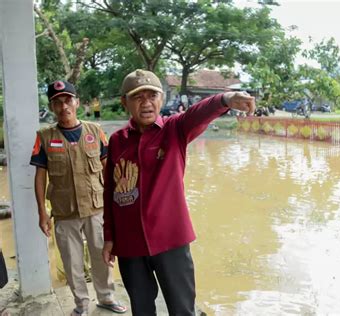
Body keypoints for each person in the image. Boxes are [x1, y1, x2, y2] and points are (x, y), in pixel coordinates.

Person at [102, 69, 255, 315]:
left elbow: (199, 114)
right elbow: (110, 189)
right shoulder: (118, 140)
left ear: (161, 99)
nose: (146, 103)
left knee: (182, 309)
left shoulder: (174, 130)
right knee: (141, 310)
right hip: (129, 244)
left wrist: (225, 100)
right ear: (124, 102)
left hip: (171, 240)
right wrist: (109, 236)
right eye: (138, 97)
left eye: (152, 96)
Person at [30, 80, 127, 316]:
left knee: (102, 256)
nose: (63, 106)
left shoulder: (95, 131)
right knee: (72, 263)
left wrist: (117, 206)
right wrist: (42, 213)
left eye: (67, 100)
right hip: (64, 212)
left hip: (97, 209)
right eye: (57, 102)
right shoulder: (43, 137)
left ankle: (105, 297)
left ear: (77, 102)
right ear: (52, 107)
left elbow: (109, 170)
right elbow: (40, 177)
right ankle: (81, 305)